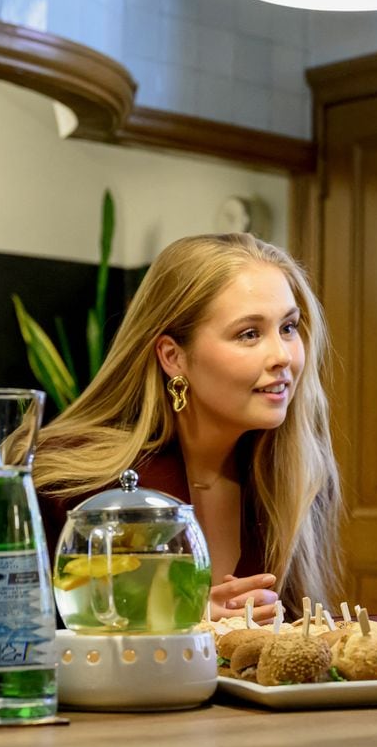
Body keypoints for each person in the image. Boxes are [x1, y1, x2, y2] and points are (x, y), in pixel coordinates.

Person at [34, 233, 342, 623]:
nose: (282, 355)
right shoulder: (64, 484)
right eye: (249, 334)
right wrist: (179, 622)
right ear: (173, 356)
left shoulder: (300, 478)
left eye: (288, 327)